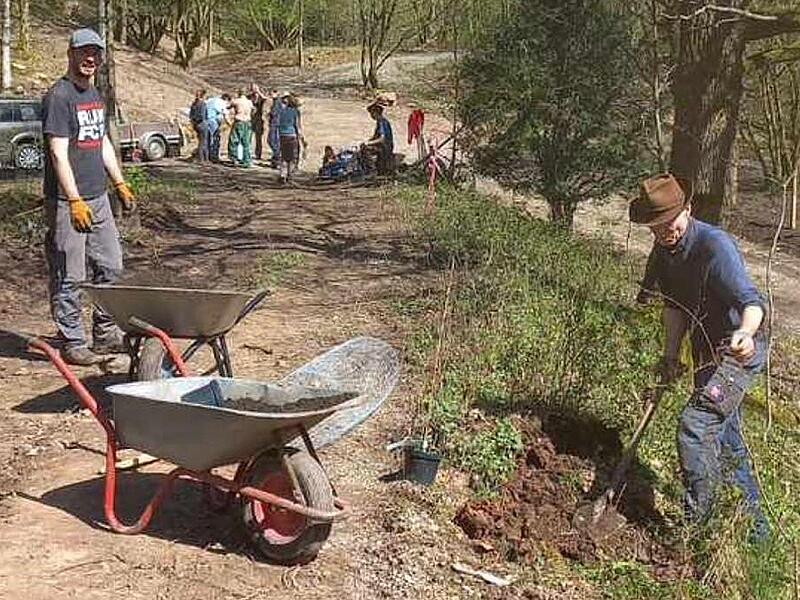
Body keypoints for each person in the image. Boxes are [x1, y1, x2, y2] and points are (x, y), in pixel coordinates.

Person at [630, 173, 770, 541]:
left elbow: (752, 303)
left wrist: (745, 333)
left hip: (739, 353)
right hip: (707, 354)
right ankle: (756, 534)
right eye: (656, 227)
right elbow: (674, 307)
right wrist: (671, 355)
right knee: (726, 438)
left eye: (670, 223)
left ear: (688, 209)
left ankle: (700, 530)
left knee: (695, 428)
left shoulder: (714, 246)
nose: (665, 232)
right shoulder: (662, 254)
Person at [42, 28, 137, 366]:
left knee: (111, 266)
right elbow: (58, 154)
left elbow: (102, 144)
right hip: (68, 203)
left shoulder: (94, 94)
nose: (90, 58)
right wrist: (74, 199)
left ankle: (106, 331)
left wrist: (120, 183)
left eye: (95, 53)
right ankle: (72, 340)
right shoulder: (59, 97)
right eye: (84, 52)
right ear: (71, 53)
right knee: (71, 273)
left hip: (98, 198)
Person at [277, 92, 304, 184]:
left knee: (284, 156)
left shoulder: (282, 111)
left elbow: (278, 123)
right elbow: (297, 125)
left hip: (282, 135)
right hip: (292, 135)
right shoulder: (295, 112)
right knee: (292, 158)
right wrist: (302, 138)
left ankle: (282, 174)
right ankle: (289, 176)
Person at [362, 101, 394, 176]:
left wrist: (368, 143)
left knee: (365, 150)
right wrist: (368, 141)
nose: (371, 115)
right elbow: (374, 137)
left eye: (372, 113)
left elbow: (382, 139)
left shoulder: (383, 122)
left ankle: (372, 171)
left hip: (385, 148)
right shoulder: (379, 122)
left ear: (376, 112)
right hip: (382, 146)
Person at [227, 89, 254, 167]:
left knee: (234, 140)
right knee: (246, 142)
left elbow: (228, 107)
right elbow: (253, 110)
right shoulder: (249, 102)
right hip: (248, 122)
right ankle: (247, 160)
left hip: (239, 121)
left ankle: (234, 159)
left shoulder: (236, 101)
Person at [205, 92, 229, 162]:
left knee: (208, 139)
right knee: (215, 139)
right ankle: (214, 156)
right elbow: (225, 113)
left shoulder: (210, 100)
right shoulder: (221, 102)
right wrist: (229, 123)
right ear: (226, 99)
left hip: (206, 120)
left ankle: (207, 155)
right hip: (213, 121)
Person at [248, 83, 268, 161]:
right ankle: (248, 152)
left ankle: (258, 153)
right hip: (250, 118)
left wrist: (259, 92)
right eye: (252, 88)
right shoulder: (249, 97)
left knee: (258, 137)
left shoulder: (261, 98)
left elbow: (265, 99)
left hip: (259, 118)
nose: (254, 89)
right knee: (248, 136)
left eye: (255, 88)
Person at [189, 89, 208, 162]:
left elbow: (190, 115)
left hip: (196, 125)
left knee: (200, 141)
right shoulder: (202, 104)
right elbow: (203, 115)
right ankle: (203, 159)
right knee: (203, 142)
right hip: (202, 124)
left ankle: (202, 158)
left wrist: (194, 122)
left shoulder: (194, 103)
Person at [267, 89, 282, 168]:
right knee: (273, 141)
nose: (270, 95)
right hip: (275, 123)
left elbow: (274, 113)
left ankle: (277, 159)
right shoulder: (275, 102)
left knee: (272, 141)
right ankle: (276, 159)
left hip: (276, 124)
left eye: (272, 93)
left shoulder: (277, 102)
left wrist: (269, 114)